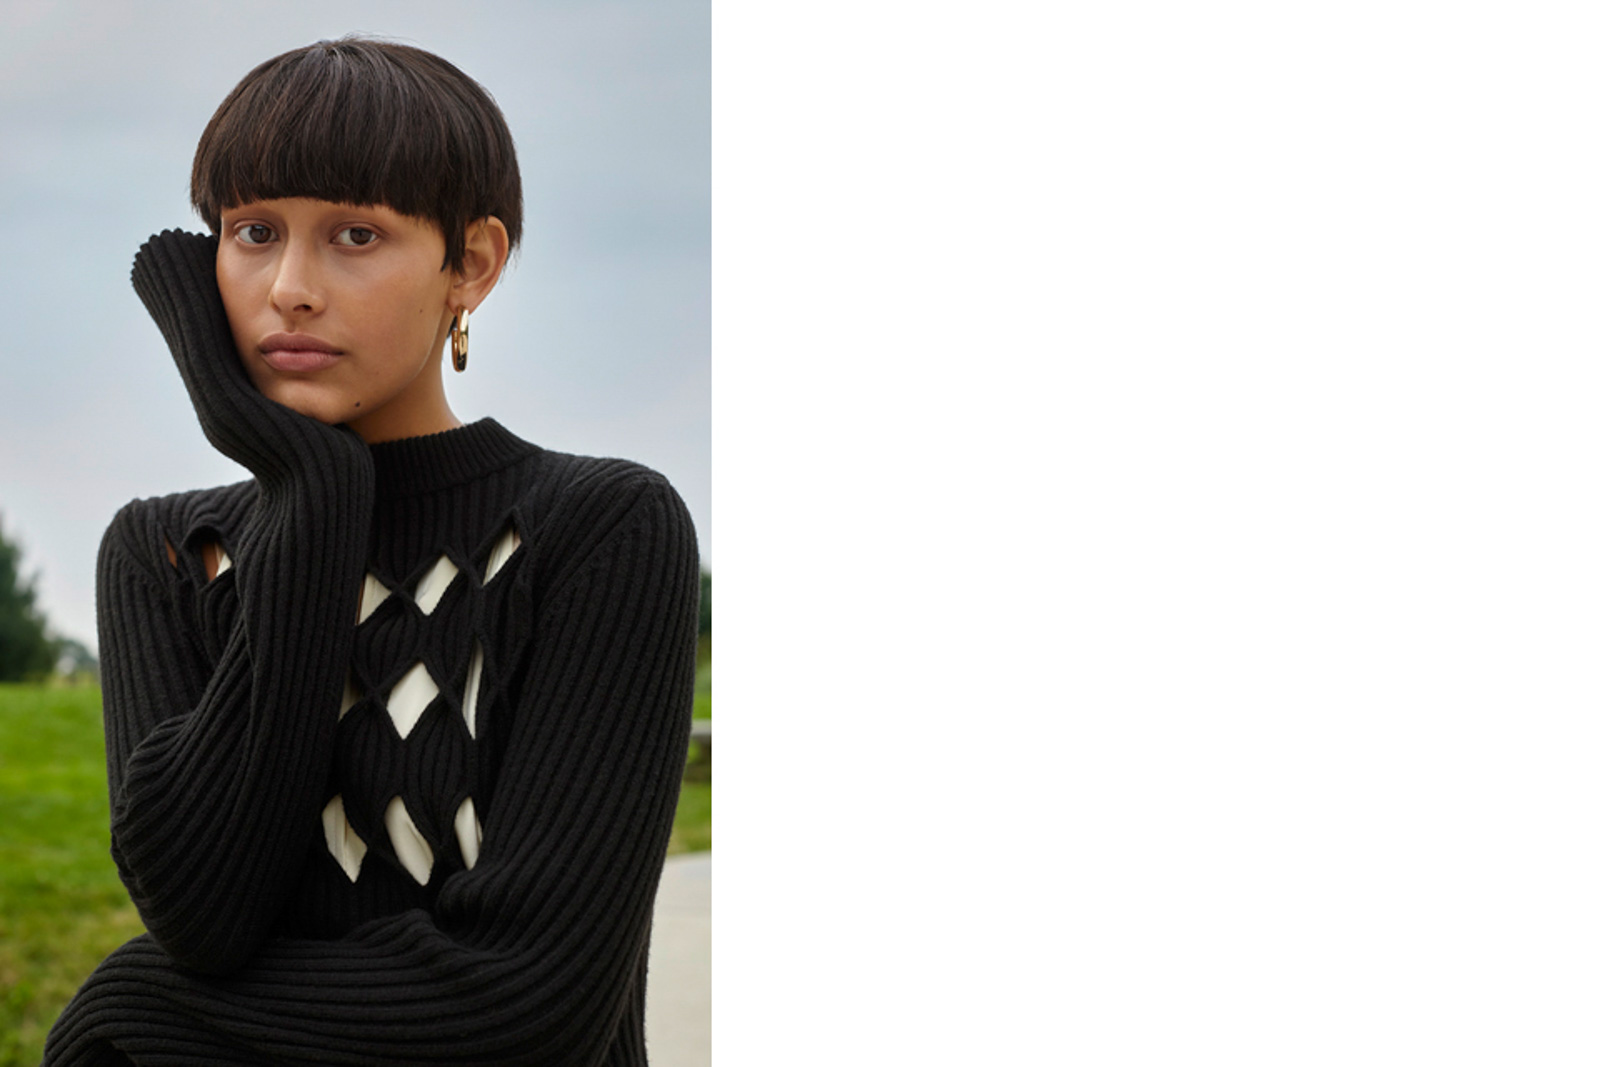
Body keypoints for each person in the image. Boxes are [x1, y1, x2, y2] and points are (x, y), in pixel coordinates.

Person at [44, 37, 700, 1066]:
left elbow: (527, 1009)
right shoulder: (167, 553)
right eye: (253, 231)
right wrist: (312, 492)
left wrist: (134, 1003)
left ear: (470, 264)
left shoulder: (602, 530)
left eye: (355, 234)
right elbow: (204, 914)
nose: (290, 287)